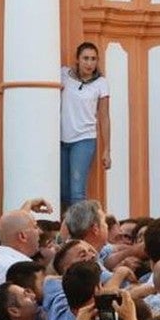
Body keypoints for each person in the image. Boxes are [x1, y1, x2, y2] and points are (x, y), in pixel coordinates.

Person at [59, 42, 111, 206]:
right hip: (61, 139)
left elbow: (104, 116)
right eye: (85, 58)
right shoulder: (64, 75)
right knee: (63, 190)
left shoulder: (101, 83)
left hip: (84, 139)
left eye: (93, 59)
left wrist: (107, 149)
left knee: (77, 191)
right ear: (77, 59)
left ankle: (78, 230)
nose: (89, 63)